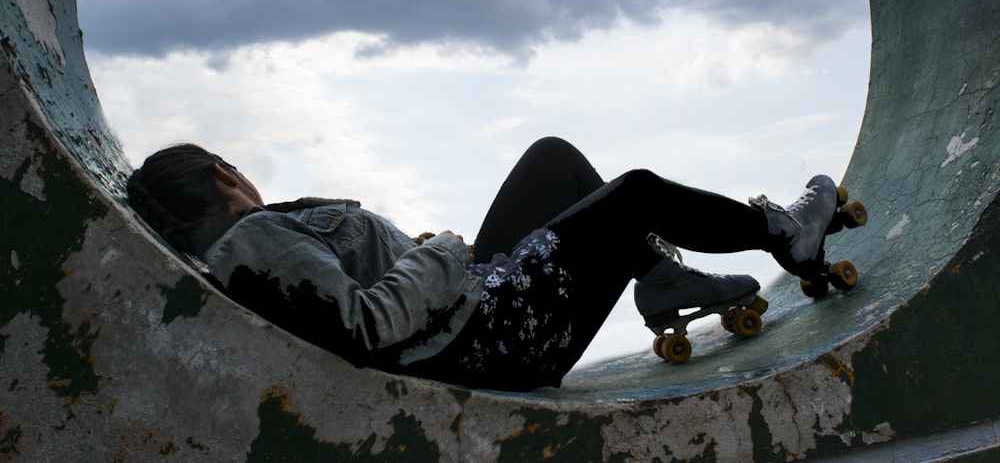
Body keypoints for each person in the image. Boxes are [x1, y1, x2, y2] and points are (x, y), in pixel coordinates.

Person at [126, 136, 841, 391]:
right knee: (637, 193)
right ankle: (785, 235)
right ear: (223, 172)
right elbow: (367, 323)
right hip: (495, 335)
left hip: (471, 315)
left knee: (553, 161)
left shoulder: (238, 254)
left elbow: (360, 299)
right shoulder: (250, 240)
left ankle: (658, 280)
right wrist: (437, 252)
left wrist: (424, 254)